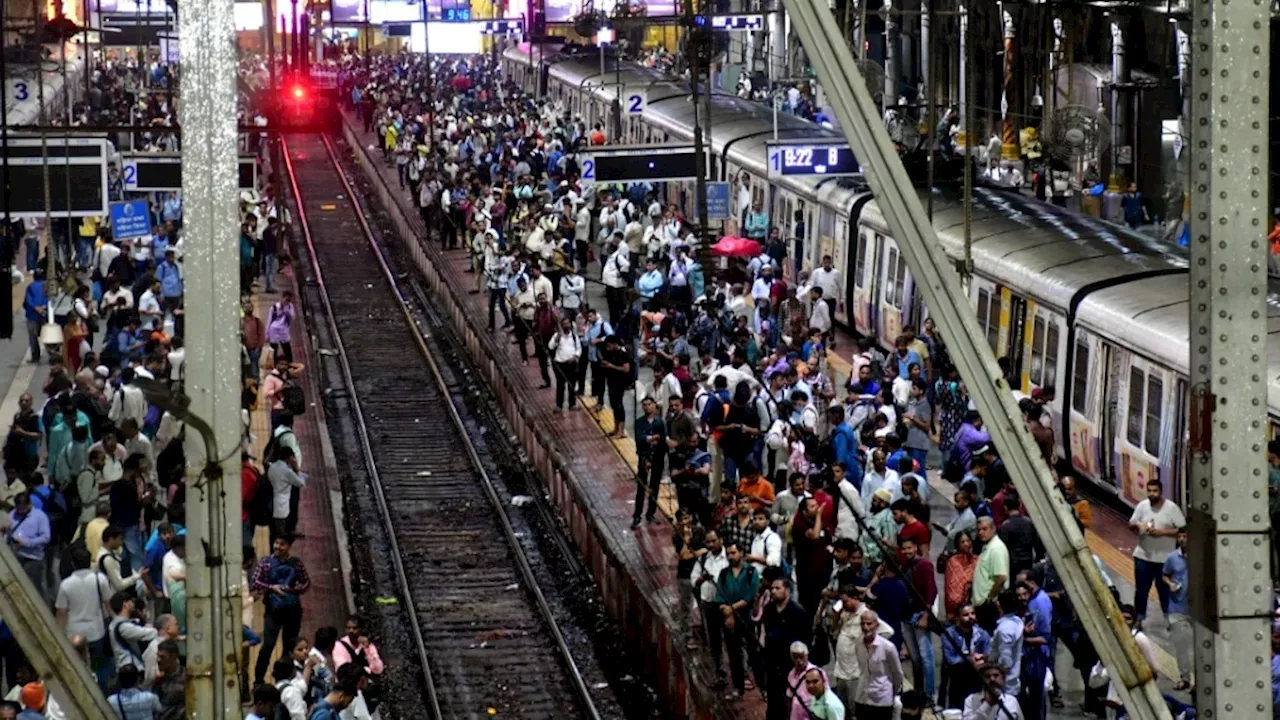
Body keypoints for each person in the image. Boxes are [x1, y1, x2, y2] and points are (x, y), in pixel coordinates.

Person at [251, 535, 311, 685]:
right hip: (273, 612)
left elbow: (306, 582)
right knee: (267, 647)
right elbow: (256, 582)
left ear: (289, 546)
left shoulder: (296, 564)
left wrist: (294, 589)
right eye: (276, 543)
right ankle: (258, 680)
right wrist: (272, 588)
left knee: (289, 648)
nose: (277, 546)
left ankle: (284, 680)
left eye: (282, 544)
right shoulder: (265, 563)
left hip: (293, 612)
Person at [1128, 478, 1184, 623]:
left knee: (1165, 592)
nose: (1152, 494)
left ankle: (1169, 619)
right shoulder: (1142, 506)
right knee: (1141, 591)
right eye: (1149, 491)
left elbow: (1182, 529)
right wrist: (1139, 526)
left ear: (1161, 492)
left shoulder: (1172, 509)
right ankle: (1139, 619)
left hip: (1164, 560)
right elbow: (1131, 523)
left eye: (1155, 491)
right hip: (1143, 557)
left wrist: (1162, 532)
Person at [852, 609, 903, 720]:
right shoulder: (858, 644)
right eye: (863, 624)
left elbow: (897, 674)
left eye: (869, 623)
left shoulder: (888, 647)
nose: (866, 627)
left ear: (877, 625)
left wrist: (890, 692)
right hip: (862, 697)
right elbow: (862, 669)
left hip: (882, 699)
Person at [1163, 528, 1192, 691]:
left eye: (1185, 536)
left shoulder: (1200, 558)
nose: (1182, 539)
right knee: (1181, 644)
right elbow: (1164, 575)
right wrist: (1170, 584)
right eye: (1179, 536)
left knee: (1199, 645)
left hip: (1196, 610)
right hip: (1177, 608)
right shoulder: (1172, 558)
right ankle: (1185, 678)